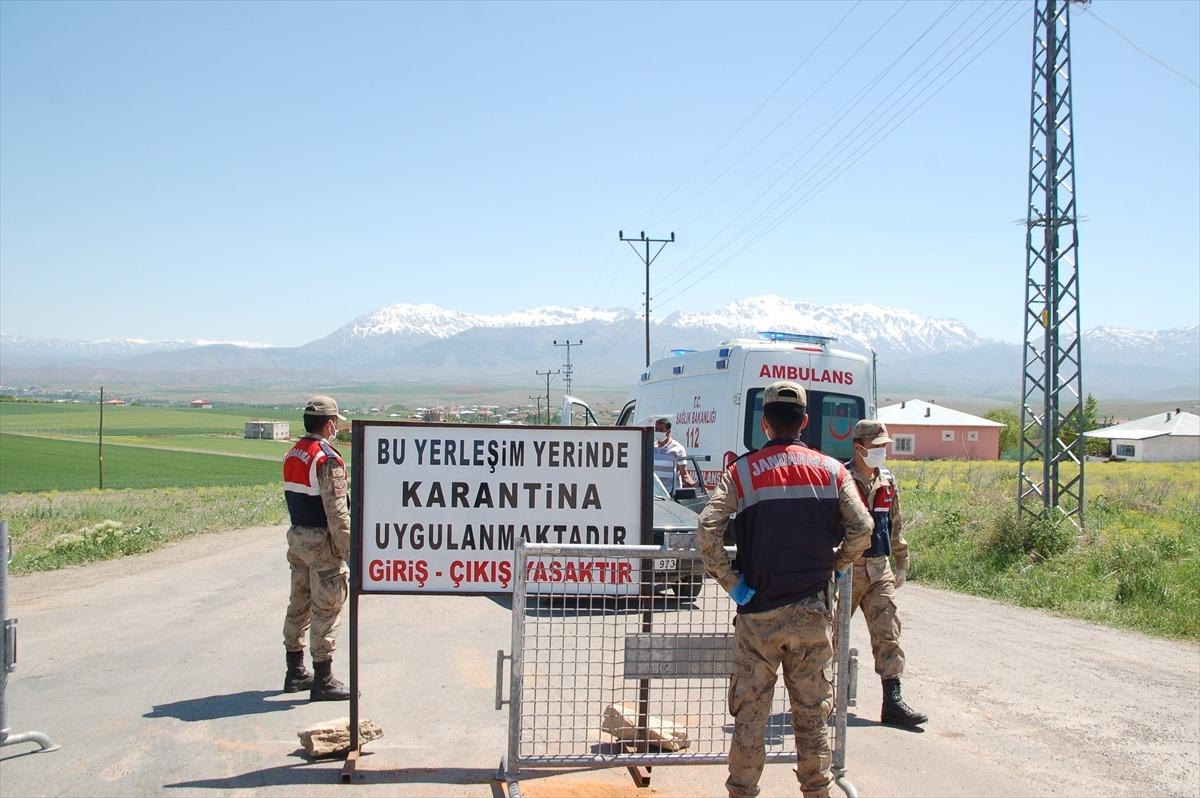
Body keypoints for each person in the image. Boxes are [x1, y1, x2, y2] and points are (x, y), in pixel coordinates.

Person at [698, 381, 873, 798]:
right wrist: (836, 564)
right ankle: (817, 792)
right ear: (806, 422)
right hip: (812, 613)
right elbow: (863, 527)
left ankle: (742, 793)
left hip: (758, 615)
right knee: (812, 718)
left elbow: (708, 528)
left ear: (764, 422)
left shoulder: (741, 471)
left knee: (750, 719)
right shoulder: (832, 470)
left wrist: (732, 583)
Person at [844, 419, 927, 728]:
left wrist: (902, 560)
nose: (882, 453)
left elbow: (895, 524)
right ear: (859, 448)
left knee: (888, 633)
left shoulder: (887, 480)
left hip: (879, 569)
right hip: (847, 570)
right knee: (830, 637)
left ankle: (892, 703)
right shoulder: (841, 479)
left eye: (885, 448)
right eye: (877, 447)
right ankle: (822, 700)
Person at [281, 395, 352, 701]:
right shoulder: (327, 459)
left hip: (297, 538)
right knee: (326, 607)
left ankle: (295, 670)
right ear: (330, 424)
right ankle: (323, 678)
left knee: (299, 603)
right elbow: (337, 513)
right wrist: (351, 552)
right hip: (322, 544)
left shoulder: (293, 453)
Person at [652, 417, 696, 491]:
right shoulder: (652, 447)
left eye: (661, 430)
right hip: (654, 494)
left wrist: (696, 486)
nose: (658, 432)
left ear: (668, 432)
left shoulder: (678, 449)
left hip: (670, 494)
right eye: (656, 429)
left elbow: (684, 475)